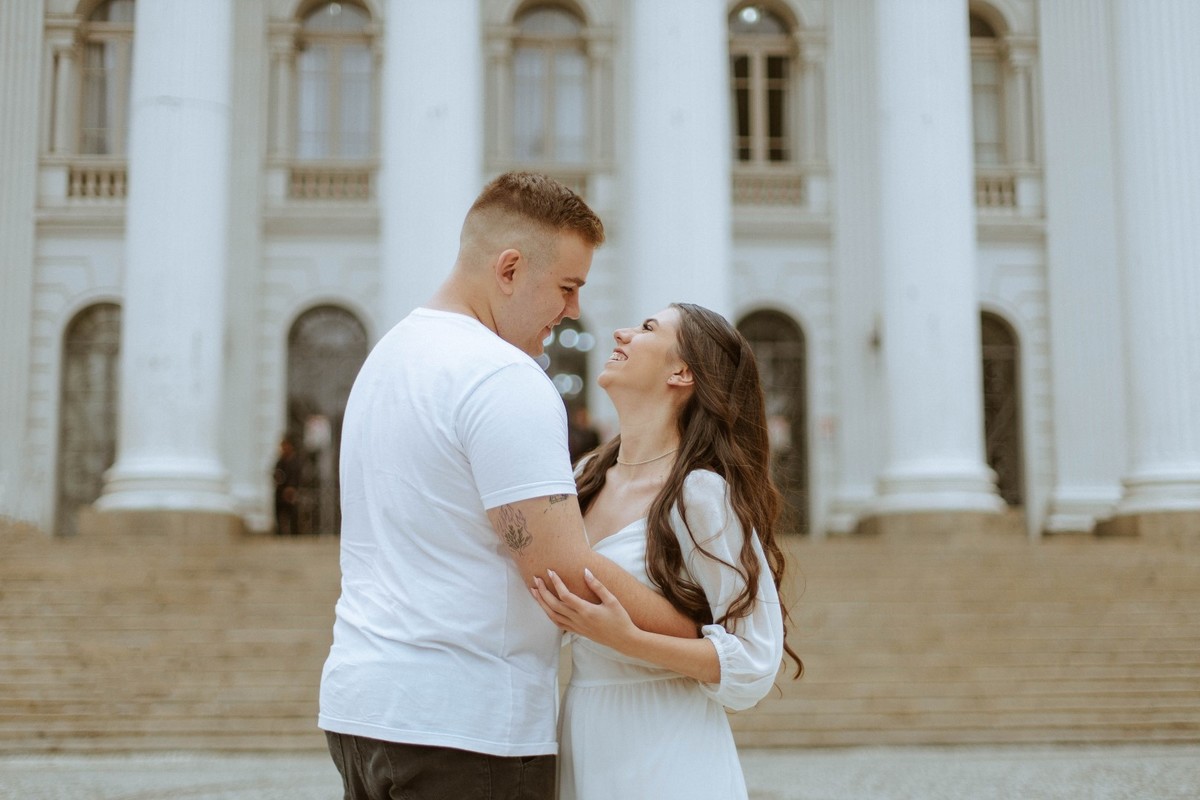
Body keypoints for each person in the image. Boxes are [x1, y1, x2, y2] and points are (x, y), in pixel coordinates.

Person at [317, 172, 696, 800]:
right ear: (510, 268)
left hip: (362, 707)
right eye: (568, 287)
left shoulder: (386, 359)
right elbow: (562, 572)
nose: (573, 311)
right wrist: (694, 630)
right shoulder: (502, 377)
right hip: (467, 725)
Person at [531, 303, 803, 800]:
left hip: (668, 737)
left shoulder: (701, 494)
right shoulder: (583, 477)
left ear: (682, 372)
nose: (622, 333)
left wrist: (629, 639)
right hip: (585, 728)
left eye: (647, 329)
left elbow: (752, 659)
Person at [272, 436, 303, 536]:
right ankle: (280, 533)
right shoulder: (280, 461)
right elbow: (277, 474)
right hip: (281, 491)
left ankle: (294, 534)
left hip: (292, 491)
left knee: (293, 514)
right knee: (279, 512)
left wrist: (292, 487)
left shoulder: (296, 461)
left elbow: (298, 476)